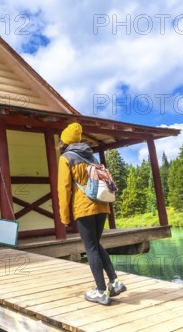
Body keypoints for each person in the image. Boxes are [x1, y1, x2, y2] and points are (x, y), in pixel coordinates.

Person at [57, 122, 126, 306]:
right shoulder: (91, 156)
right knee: (96, 244)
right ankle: (115, 282)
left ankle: (101, 292)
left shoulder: (66, 158)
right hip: (102, 205)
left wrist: (64, 217)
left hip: (84, 207)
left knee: (91, 248)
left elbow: (64, 189)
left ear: (64, 141)